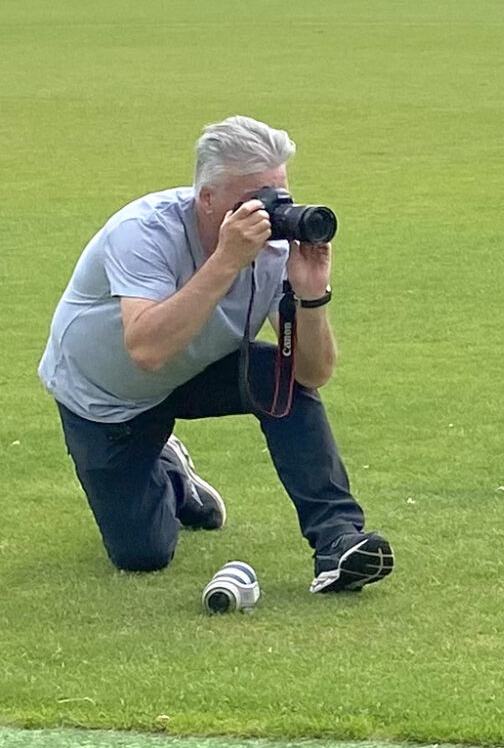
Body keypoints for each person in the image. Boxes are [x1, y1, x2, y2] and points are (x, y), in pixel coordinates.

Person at [38, 116, 395, 593]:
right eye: (254, 201)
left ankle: (337, 538)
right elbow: (147, 350)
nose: (270, 215)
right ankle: (172, 473)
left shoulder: (274, 250)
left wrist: (311, 296)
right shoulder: (143, 231)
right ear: (206, 199)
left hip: (196, 369)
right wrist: (227, 260)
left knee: (282, 380)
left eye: (279, 198)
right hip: (107, 397)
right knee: (142, 554)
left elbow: (313, 373)